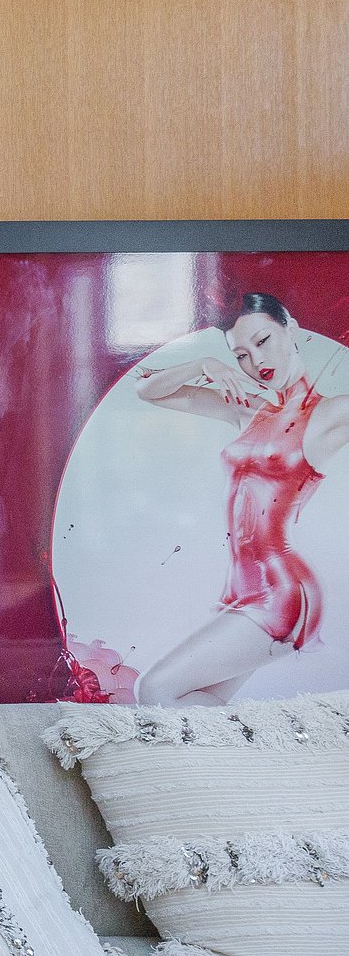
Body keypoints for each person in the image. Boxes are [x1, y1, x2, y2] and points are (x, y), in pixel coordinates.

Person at [131, 292, 349, 705]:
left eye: (262, 341)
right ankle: (271, 744)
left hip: (282, 589)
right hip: (239, 589)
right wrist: (204, 364)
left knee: (155, 689)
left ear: (292, 330)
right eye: (241, 355)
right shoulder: (248, 410)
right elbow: (148, 391)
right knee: (197, 703)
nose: (255, 361)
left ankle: (281, 739)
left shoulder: (330, 414)